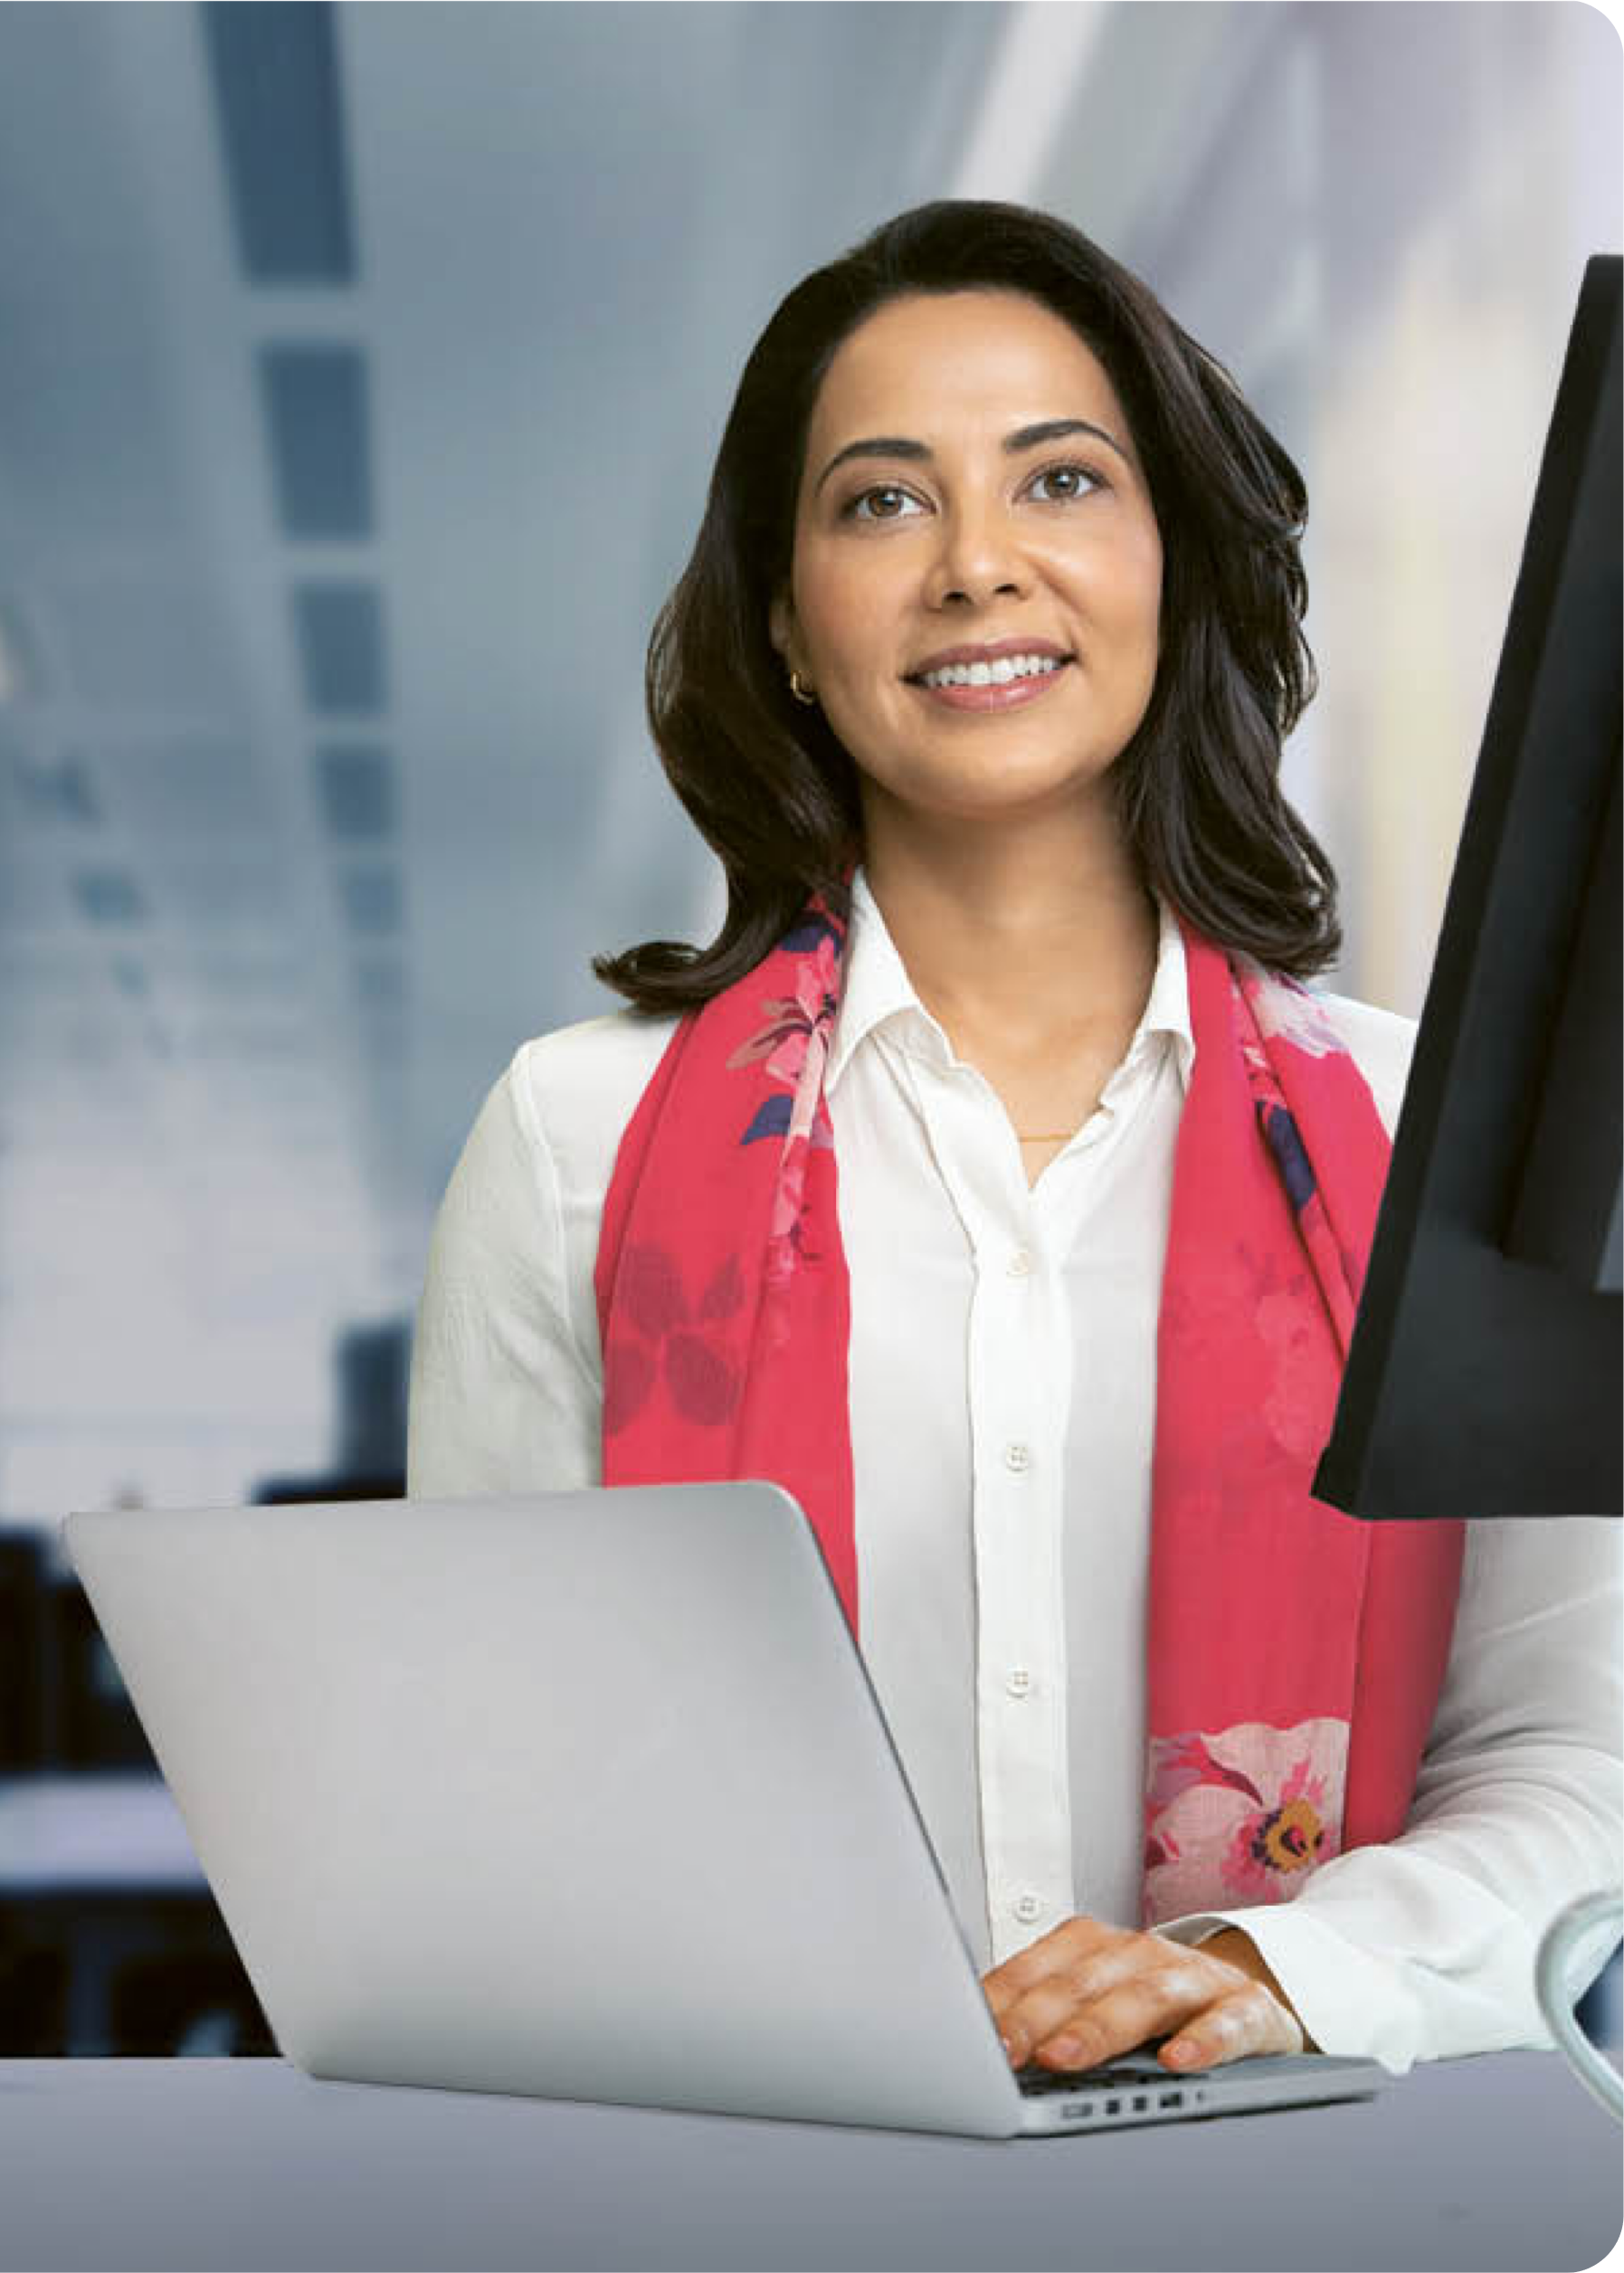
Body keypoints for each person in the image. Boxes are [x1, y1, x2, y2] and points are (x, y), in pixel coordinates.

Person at [407, 199, 1624, 2078]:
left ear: (1176, 572)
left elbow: (1578, 1756)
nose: (977, 563)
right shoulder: (578, 1134)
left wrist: (1274, 1963)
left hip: (1308, 2178)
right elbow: (492, 1770)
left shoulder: (1427, 1134)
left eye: (1059, 480)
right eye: (882, 502)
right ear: (788, 631)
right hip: (763, 2180)